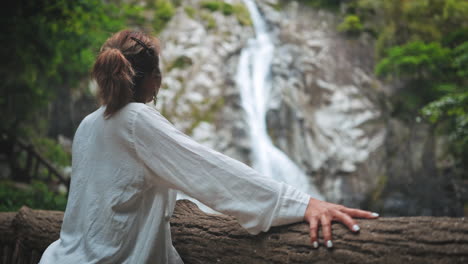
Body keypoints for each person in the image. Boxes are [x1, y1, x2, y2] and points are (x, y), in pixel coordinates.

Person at [39, 30, 379, 264]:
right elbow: (210, 173)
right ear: (154, 82)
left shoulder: (88, 124)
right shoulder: (137, 120)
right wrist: (304, 204)